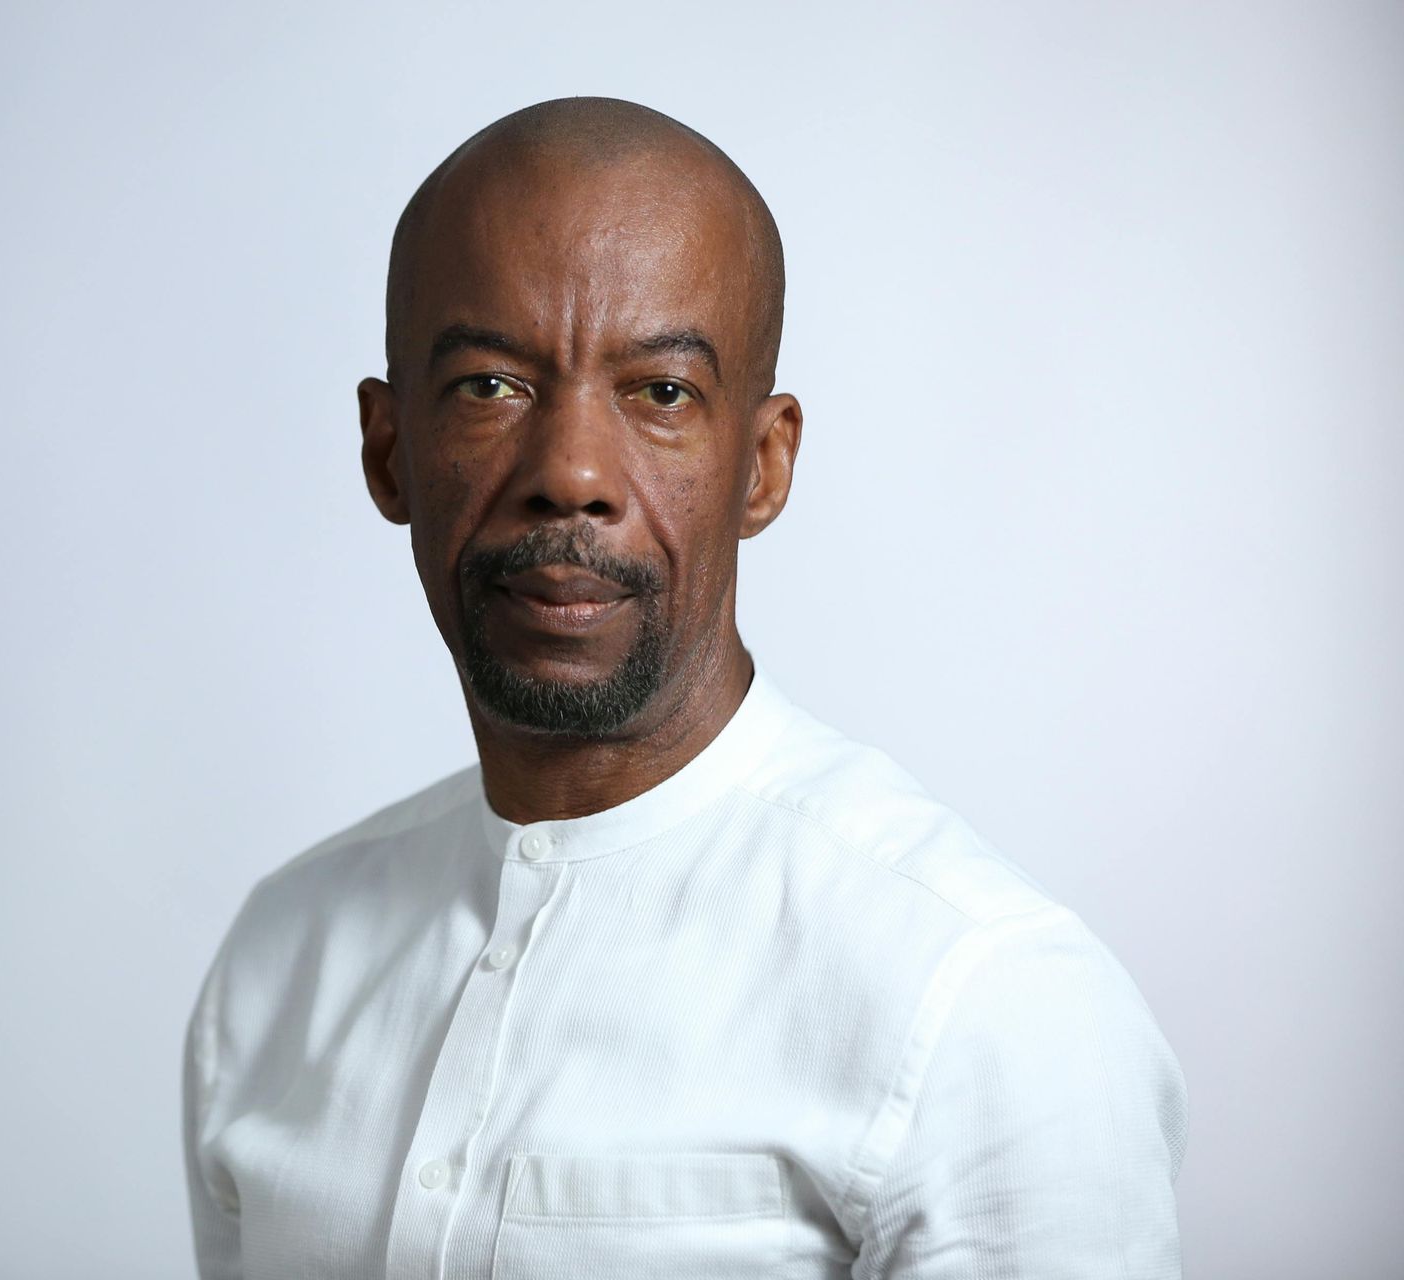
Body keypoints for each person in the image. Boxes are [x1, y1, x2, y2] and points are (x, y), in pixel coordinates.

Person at [180, 96, 1187, 1279]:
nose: (572, 473)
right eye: (490, 386)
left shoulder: (984, 1001)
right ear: (388, 449)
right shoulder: (279, 959)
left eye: (661, 392)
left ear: (763, 465)